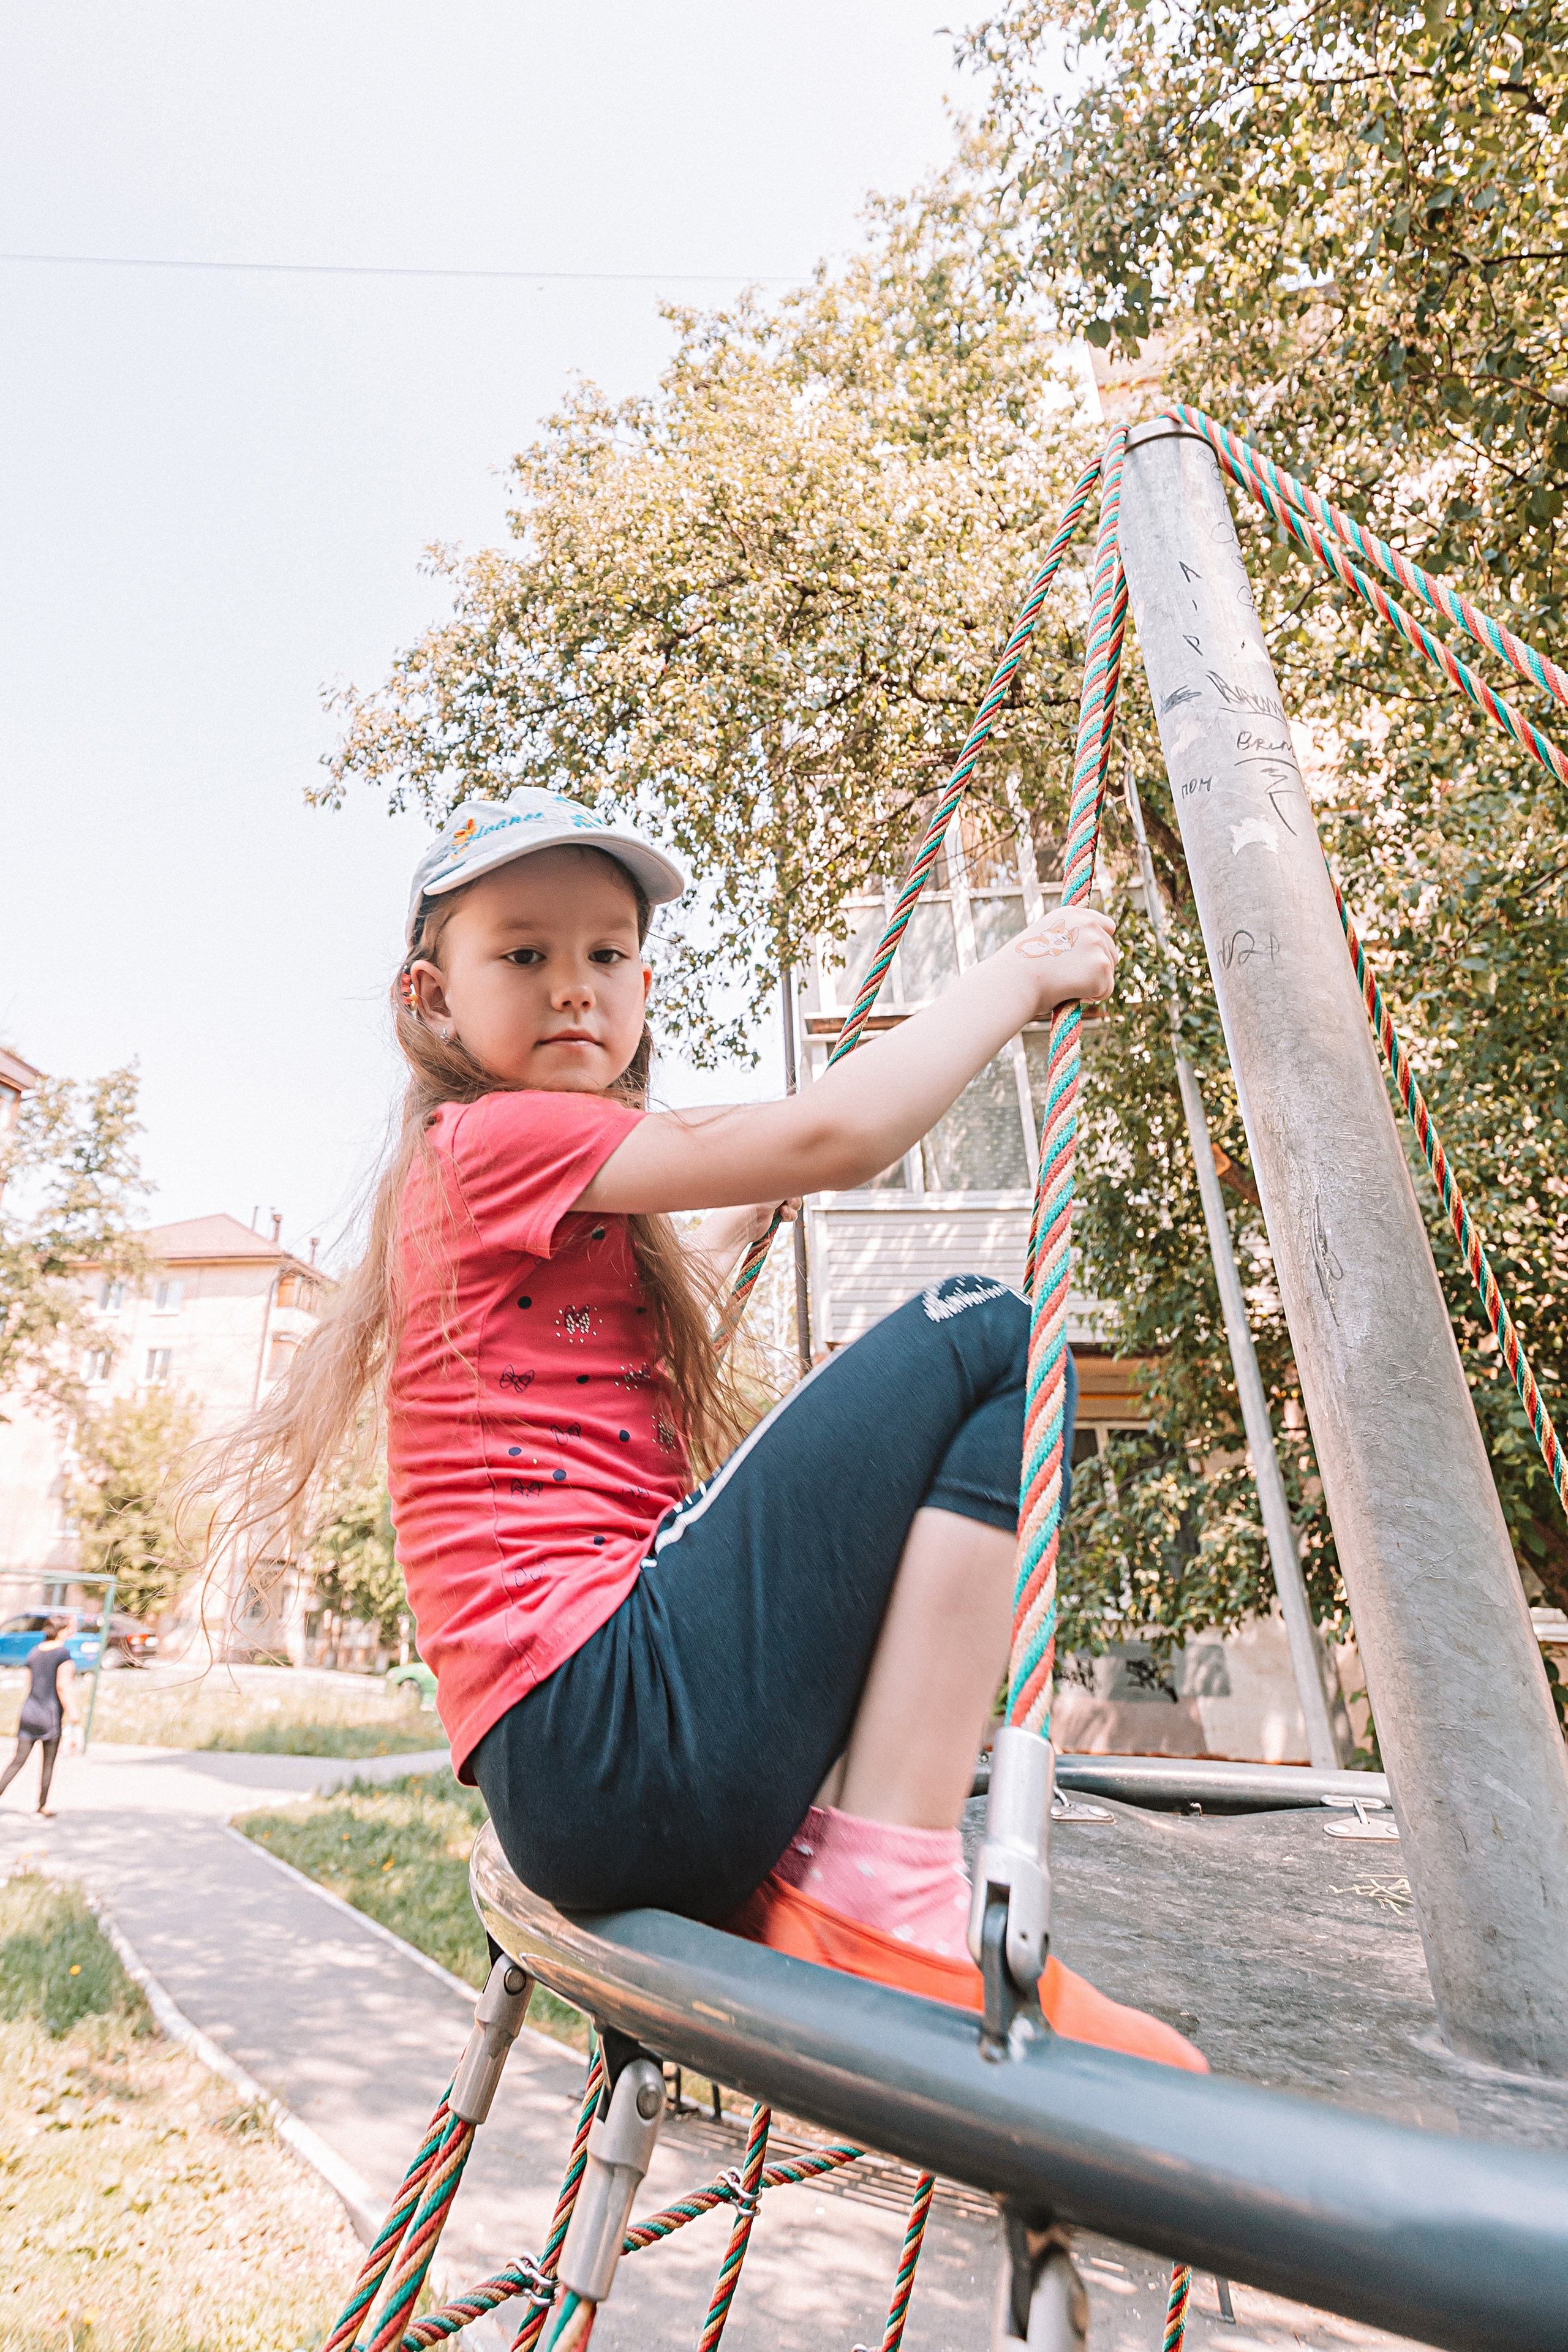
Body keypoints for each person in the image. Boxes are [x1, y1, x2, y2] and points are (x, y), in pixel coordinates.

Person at [209, 789, 1200, 2067]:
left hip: (592, 1774)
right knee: (984, 1332)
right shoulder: (487, 1139)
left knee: (925, 1413)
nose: (575, 987)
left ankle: (854, 1872)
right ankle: (885, 1891)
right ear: (430, 999)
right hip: (607, 1723)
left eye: (606, 954)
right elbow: (836, 1133)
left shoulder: (521, 1181)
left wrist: (725, 1228)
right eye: (524, 953)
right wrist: (1015, 976)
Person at [0, 1616, 77, 1817]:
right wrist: (74, 1715)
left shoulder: (35, 1652)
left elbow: (31, 1682)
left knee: (18, 1759)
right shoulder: (63, 1654)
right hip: (49, 1714)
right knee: (48, 1762)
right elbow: (63, 1686)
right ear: (63, 1631)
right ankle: (42, 1806)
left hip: (30, 1711)